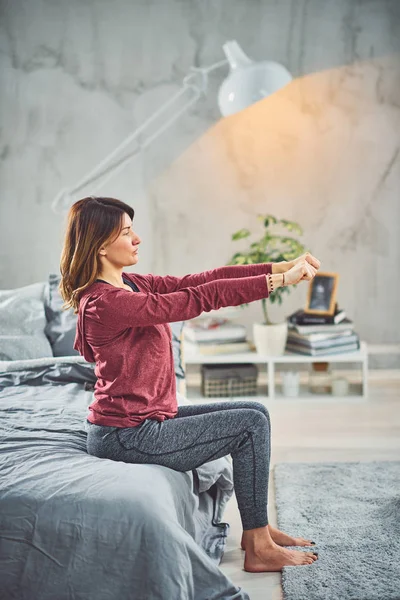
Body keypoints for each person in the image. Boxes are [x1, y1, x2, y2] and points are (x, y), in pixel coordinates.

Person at [59, 196, 321, 573]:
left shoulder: (130, 284)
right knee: (249, 426)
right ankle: (259, 546)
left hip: (146, 420)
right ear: (101, 245)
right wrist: (279, 281)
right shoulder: (106, 303)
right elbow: (197, 298)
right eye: (128, 233)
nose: (137, 240)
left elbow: (198, 281)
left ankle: (255, 534)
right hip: (127, 434)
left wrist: (278, 265)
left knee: (255, 413)